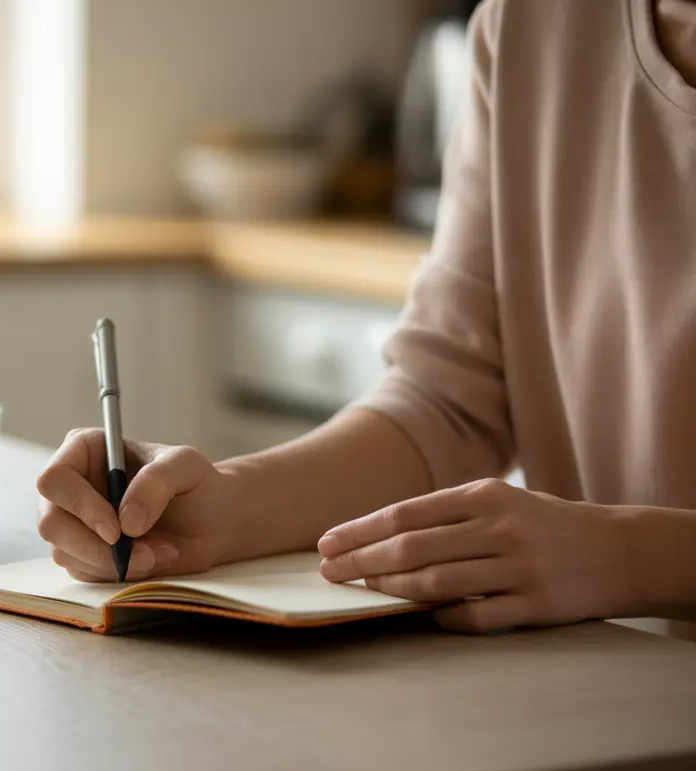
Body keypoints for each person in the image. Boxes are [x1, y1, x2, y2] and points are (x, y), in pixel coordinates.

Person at [35, 0, 696, 636]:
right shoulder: (527, 26)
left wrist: (632, 556)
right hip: (606, 690)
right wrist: (220, 508)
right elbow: (446, 407)